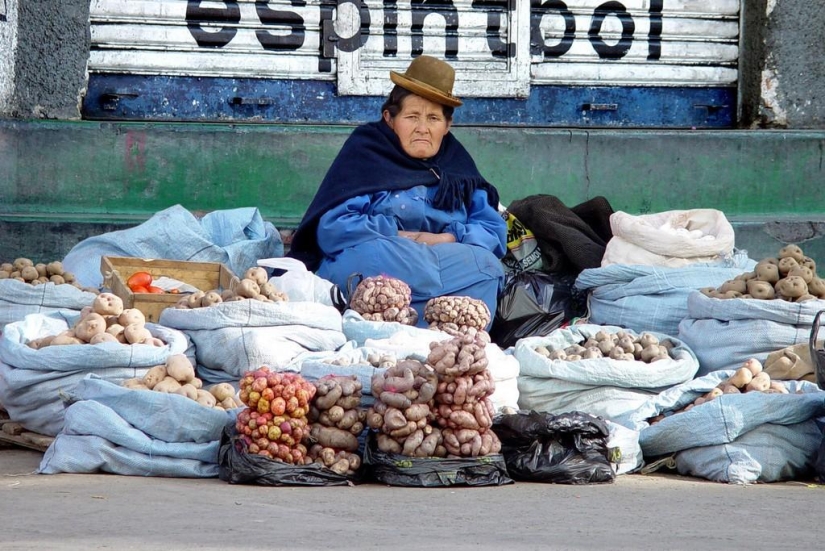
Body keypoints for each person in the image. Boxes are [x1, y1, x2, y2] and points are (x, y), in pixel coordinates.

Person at [288, 55, 507, 328]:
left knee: (487, 267)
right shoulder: (367, 154)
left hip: (447, 264)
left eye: (433, 118)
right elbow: (334, 229)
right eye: (412, 117)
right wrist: (403, 237)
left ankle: (436, 330)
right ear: (390, 118)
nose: (422, 129)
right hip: (383, 266)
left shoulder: (458, 168)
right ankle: (415, 322)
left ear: (447, 126)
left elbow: (492, 231)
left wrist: (445, 239)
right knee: (368, 259)